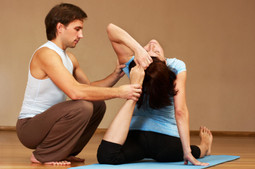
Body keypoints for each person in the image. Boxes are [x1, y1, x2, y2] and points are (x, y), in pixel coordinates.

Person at [16, 4, 144, 166]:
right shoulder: (46, 54)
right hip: (29, 128)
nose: (81, 35)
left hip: (48, 124)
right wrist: (120, 92)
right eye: (77, 29)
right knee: (83, 106)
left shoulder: (69, 58)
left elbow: (89, 87)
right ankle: (43, 155)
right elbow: (76, 92)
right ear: (60, 27)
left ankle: (63, 151)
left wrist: (116, 74)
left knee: (96, 104)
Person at [97, 23, 213, 166]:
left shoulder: (134, 65)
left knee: (107, 156)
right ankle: (203, 148)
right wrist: (187, 151)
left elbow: (111, 30)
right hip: (166, 144)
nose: (151, 45)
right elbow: (180, 111)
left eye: (153, 52)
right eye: (147, 51)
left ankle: (203, 147)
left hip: (139, 138)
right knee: (189, 151)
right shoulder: (175, 66)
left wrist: (138, 50)